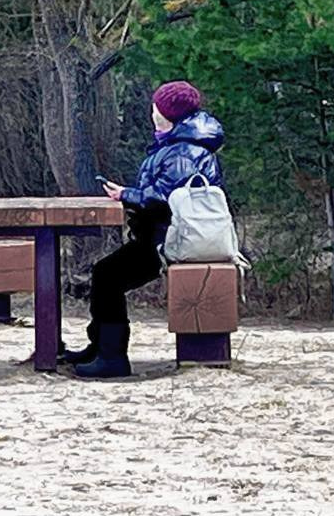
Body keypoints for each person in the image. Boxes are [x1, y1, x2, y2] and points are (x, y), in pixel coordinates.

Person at [64, 81, 225, 379]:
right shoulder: (180, 144)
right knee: (104, 273)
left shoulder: (183, 151)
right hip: (166, 235)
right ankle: (100, 347)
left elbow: (165, 201)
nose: (152, 112)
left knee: (108, 276)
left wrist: (127, 195)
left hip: (172, 241)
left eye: (157, 107)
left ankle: (112, 358)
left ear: (167, 114)